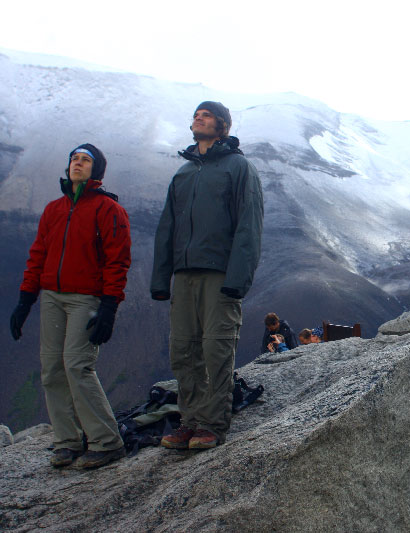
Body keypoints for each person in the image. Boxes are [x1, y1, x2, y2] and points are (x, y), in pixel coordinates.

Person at [10, 143, 130, 468]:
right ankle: (67, 441)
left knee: (77, 365)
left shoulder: (108, 210)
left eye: (85, 160)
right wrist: (25, 300)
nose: (78, 163)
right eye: (74, 159)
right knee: (51, 370)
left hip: (86, 298)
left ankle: (106, 441)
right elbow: (38, 255)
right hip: (51, 296)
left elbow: (118, 261)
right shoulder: (54, 210)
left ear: (97, 170)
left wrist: (109, 307)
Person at [151, 102, 264, 450]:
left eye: (208, 115)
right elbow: (166, 227)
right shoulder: (184, 174)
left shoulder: (239, 168)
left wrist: (237, 279)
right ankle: (190, 421)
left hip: (219, 275)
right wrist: (160, 278)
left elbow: (249, 226)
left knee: (216, 349)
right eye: (196, 114)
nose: (199, 117)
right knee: (183, 351)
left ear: (223, 127)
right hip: (185, 276)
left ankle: (213, 424)